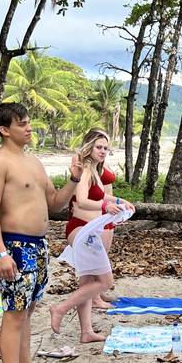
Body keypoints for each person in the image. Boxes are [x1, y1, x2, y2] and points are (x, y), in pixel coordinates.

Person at [0, 103, 83, 363]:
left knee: (27, 311)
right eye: (22, 123)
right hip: (14, 246)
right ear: (4, 130)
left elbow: (54, 203)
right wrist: (0, 253)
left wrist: (74, 179)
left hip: (38, 247)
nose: (29, 127)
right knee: (13, 315)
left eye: (28, 122)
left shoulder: (34, 162)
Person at [54, 129, 134, 341]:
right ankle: (61, 308)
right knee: (105, 281)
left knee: (87, 281)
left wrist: (118, 201)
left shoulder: (95, 170)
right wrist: (105, 207)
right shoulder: (86, 171)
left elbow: (103, 195)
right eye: (99, 147)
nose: (103, 151)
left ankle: (86, 332)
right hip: (80, 228)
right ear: (89, 147)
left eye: (106, 148)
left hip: (85, 228)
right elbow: (81, 200)